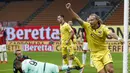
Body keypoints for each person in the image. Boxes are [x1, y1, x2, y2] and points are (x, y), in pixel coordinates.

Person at [66, 3, 122, 73]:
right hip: (94, 54)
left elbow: (111, 33)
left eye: (92, 20)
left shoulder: (103, 27)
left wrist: (118, 38)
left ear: (97, 20)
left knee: (110, 70)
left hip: (104, 51)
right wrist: (69, 9)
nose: (90, 22)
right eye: (89, 20)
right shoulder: (87, 26)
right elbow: (77, 18)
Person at [15, 59, 81, 73]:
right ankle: (70, 66)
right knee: (59, 68)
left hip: (43, 71)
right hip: (46, 65)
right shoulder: (26, 60)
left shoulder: (23, 67)